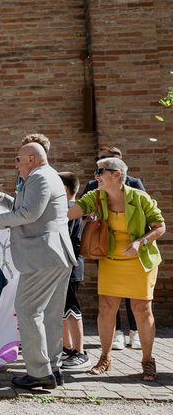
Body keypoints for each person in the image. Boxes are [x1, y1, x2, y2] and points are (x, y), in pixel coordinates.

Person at [0, 142, 77, 389]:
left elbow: (29, 214)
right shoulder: (47, 176)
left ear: (31, 159)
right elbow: (31, 208)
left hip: (42, 256)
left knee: (27, 309)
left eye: (18, 159)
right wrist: (3, 198)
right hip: (55, 255)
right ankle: (52, 369)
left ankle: (39, 373)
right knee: (51, 315)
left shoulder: (39, 178)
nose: (16, 164)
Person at [68, 156, 165, 381]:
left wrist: (141, 242)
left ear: (116, 174)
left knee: (142, 309)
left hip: (139, 261)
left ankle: (148, 361)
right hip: (111, 260)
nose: (96, 176)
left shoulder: (140, 198)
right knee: (107, 307)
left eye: (100, 172)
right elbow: (71, 212)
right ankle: (105, 358)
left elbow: (160, 227)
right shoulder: (97, 197)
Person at [81, 145, 145, 350]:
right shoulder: (93, 186)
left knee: (133, 294)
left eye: (105, 162)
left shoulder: (135, 184)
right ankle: (116, 333)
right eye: (98, 161)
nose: (98, 169)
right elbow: (82, 211)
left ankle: (134, 332)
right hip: (105, 246)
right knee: (110, 294)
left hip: (131, 249)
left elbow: (144, 216)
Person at [57, 172, 89, 370]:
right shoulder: (67, 209)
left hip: (70, 265)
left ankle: (80, 351)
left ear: (64, 189)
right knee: (62, 309)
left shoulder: (70, 210)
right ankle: (67, 348)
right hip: (63, 266)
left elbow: (68, 240)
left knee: (72, 309)